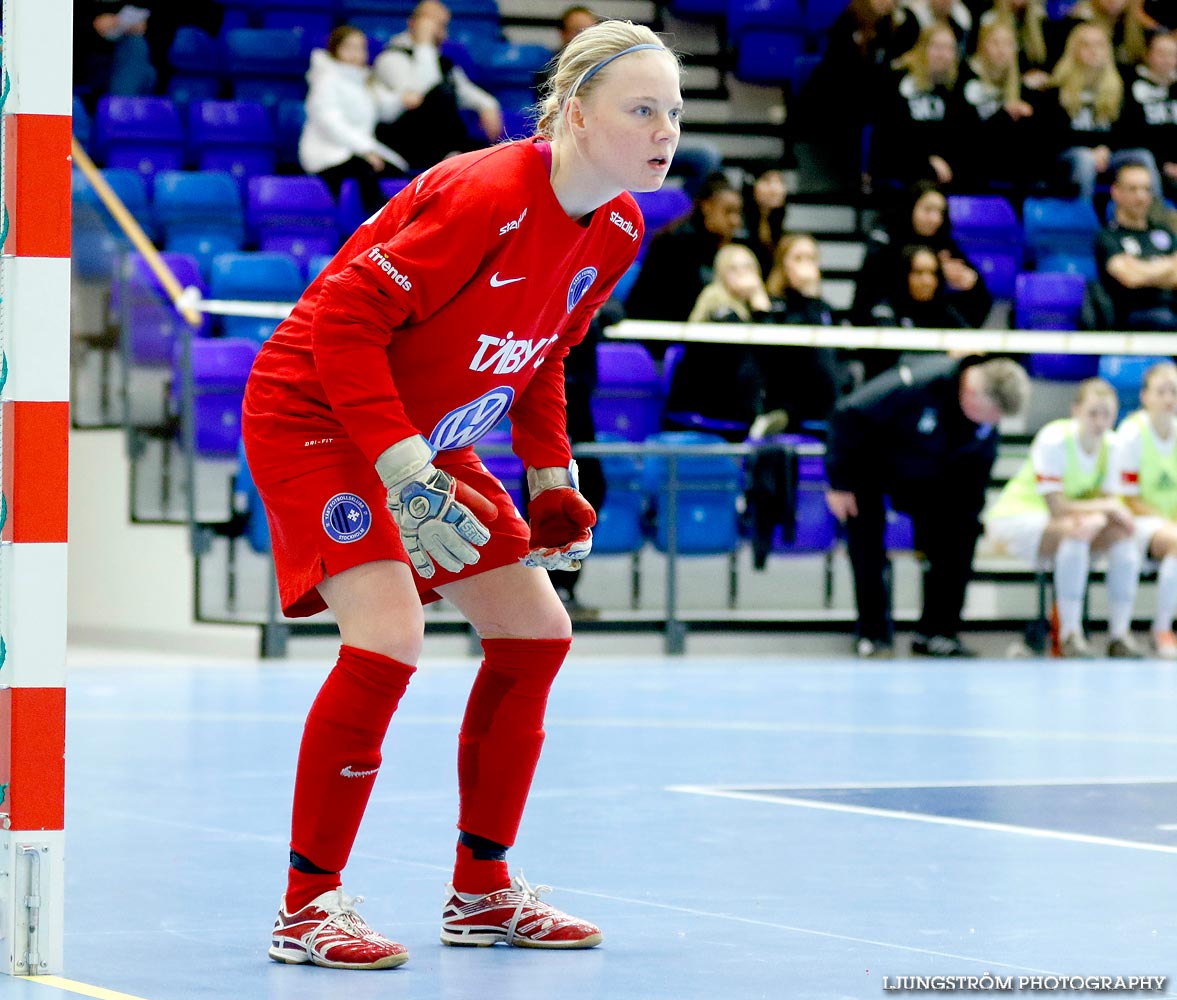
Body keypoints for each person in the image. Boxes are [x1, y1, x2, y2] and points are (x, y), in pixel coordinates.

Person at [242, 20, 683, 968]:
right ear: (573, 114)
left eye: (673, 111)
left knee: (536, 632)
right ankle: (305, 907)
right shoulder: (487, 192)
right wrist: (404, 476)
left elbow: (546, 352)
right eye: (641, 109)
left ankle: (482, 893)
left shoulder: (616, 227)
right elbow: (346, 325)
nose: (665, 130)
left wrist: (552, 476)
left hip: (433, 428)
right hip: (319, 411)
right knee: (390, 635)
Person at [824, 355, 1030, 658]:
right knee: (865, 534)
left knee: (963, 529)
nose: (994, 422)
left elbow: (976, 473)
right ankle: (873, 634)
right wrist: (840, 482)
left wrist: (969, 516)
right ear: (970, 392)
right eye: (992, 413)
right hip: (871, 466)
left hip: (929, 475)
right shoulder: (915, 383)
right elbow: (848, 415)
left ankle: (937, 632)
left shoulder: (985, 421)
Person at [984, 378, 1143, 658]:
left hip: (1069, 522)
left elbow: (1106, 505)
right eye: (1093, 413)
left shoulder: (1113, 446)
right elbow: (1057, 506)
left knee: (1122, 534)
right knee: (1076, 532)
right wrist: (1104, 510)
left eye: (1106, 414)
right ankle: (1069, 633)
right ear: (1076, 410)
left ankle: (1120, 634)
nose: (1099, 421)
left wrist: (1104, 513)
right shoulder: (1054, 439)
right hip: (1017, 519)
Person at [372, 0, 503, 172]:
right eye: (433, 25)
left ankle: (455, 155)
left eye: (442, 26)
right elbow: (422, 91)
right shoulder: (390, 58)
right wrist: (424, 42)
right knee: (439, 96)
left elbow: (462, 90)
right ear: (413, 23)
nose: (440, 33)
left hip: (438, 142)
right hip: (406, 143)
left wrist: (488, 105)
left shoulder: (441, 60)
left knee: (486, 154)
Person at [1040, 22, 1160, 204]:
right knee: (1085, 159)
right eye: (1086, 45)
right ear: (1074, 50)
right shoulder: (1055, 90)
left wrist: (1106, 149)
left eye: (1099, 45)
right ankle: (1083, 216)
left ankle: (1155, 216)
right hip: (1070, 160)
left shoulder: (1121, 87)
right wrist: (1091, 151)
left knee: (1143, 156)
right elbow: (1050, 139)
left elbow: (1134, 132)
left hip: (1109, 156)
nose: (1094, 51)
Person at [851, 180, 992, 329]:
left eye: (941, 212)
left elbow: (975, 290)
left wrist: (972, 281)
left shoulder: (944, 244)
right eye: (928, 210)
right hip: (886, 320)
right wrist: (931, 267)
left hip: (930, 321)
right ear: (911, 207)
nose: (935, 219)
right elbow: (870, 287)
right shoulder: (886, 235)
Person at [299, 25, 408, 217]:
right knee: (365, 170)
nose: (356, 54)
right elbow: (331, 124)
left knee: (396, 171)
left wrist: (402, 100)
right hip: (328, 155)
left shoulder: (365, 81)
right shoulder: (326, 81)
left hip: (357, 152)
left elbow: (383, 109)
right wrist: (365, 150)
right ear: (336, 49)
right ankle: (380, 221)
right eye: (349, 47)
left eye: (360, 48)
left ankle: (403, 217)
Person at [1112, 360, 1177, 658]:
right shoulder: (1131, 434)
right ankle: (1162, 630)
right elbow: (1129, 499)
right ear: (1145, 396)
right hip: (1134, 522)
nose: (1169, 399)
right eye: (1162, 391)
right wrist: (1166, 522)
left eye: (1174, 392)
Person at [624, 171, 744, 323]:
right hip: (657, 328)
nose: (736, 221)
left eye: (738, 213)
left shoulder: (729, 246)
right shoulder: (673, 244)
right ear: (707, 207)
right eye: (728, 212)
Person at [865, 23, 965, 203]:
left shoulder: (954, 88)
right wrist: (926, 161)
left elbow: (961, 136)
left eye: (950, 48)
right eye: (938, 47)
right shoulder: (897, 80)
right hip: (902, 169)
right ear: (923, 48)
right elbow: (889, 137)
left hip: (940, 176)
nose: (943, 55)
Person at [954, 19, 1039, 196]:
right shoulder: (965, 78)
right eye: (995, 43)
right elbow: (965, 134)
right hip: (974, 162)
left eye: (1008, 44)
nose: (1001, 50)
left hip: (1011, 166)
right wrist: (1004, 114)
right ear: (982, 46)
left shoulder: (1023, 88)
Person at [1096, 161, 1177, 330]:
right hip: (1133, 319)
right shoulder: (1108, 237)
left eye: (1146, 189)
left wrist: (1141, 268)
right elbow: (1130, 278)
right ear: (1116, 192)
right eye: (1133, 189)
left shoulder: (1164, 234)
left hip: (1170, 310)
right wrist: (1167, 265)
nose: (1140, 196)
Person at [1116, 30, 1177, 205]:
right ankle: (1155, 216)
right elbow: (1130, 133)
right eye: (1161, 54)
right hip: (1143, 159)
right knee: (1145, 159)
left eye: (1172, 54)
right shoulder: (1129, 83)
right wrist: (1163, 164)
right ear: (1148, 55)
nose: (1167, 60)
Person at [72, 1, 157, 111]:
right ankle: (120, 112)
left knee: (136, 44)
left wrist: (132, 26)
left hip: (133, 67)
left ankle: (123, 110)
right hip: (91, 64)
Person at [742, 166, 788, 277]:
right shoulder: (739, 223)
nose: (775, 189)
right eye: (767, 181)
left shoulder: (779, 226)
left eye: (779, 181)